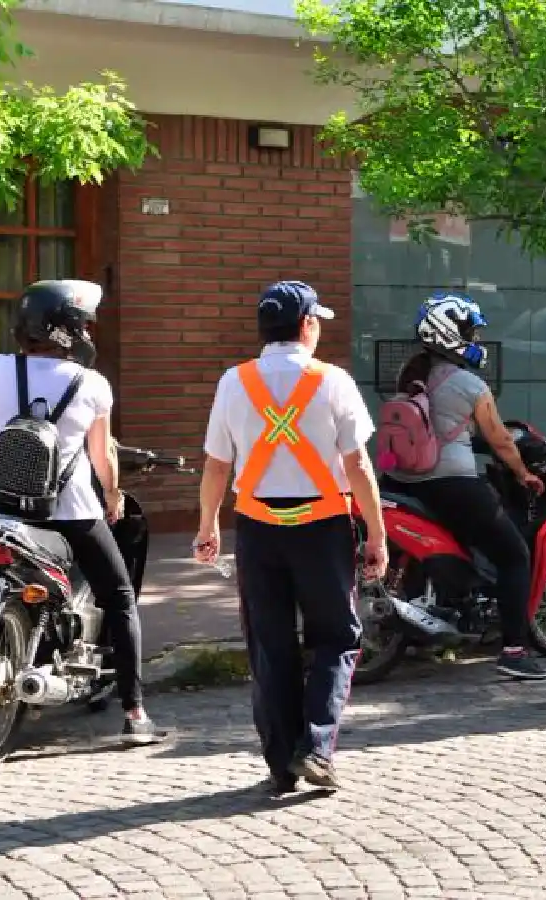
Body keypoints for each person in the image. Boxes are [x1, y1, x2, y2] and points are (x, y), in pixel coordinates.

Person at [193, 280, 388, 795]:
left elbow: (217, 464)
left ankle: (281, 765)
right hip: (322, 530)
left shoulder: (233, 383)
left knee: (270, 645)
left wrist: (207, 524)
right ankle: (317, 749)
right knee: (337, 638)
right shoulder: (333, 381)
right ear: (306, 325)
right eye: (317, 319)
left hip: (258, 529)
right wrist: (376, 534)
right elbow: (358, 464)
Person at [0, 279, 161, 744]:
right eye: (86, 325)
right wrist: (112, 496)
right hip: (69, 510)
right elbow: (103, 457)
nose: (90, 334)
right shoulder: (90, 383)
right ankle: (135, 713)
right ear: (67, 330)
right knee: (119, 598)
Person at [382, 292, 546, 682]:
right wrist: (524, 473)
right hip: (452, 486)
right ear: (450, 334)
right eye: (470, 333)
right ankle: (513, 650)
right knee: (513, 554)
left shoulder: (410, 375)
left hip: (402, 482)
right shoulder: (469, 384)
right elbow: (500, 439)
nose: (476, 341)